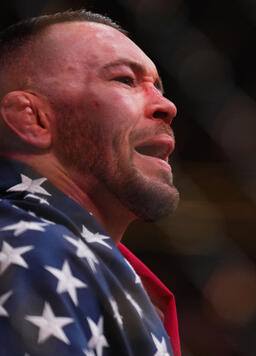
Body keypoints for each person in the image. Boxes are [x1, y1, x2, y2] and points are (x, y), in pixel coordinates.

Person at [0, 9, 180, 356]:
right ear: (32, 119)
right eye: (125, 80)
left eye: (157, 87)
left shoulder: (82, 258)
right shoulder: (33, 250)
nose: (167, 106)